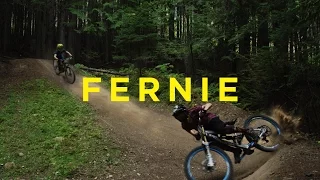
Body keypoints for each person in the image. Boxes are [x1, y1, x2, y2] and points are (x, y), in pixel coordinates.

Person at [172, 103, 258, 164]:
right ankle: (235, 150)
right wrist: (196, 135)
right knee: (213, 143)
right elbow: (193, 133)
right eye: (177, 116)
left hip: (211, 120)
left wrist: (203, 110)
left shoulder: (192, 111)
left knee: (221, 129)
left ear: (184, 111)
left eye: (179, 115)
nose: (179, 117)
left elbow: (208, 104)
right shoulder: (184, 125)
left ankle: (247, 131)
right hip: (206, 129)